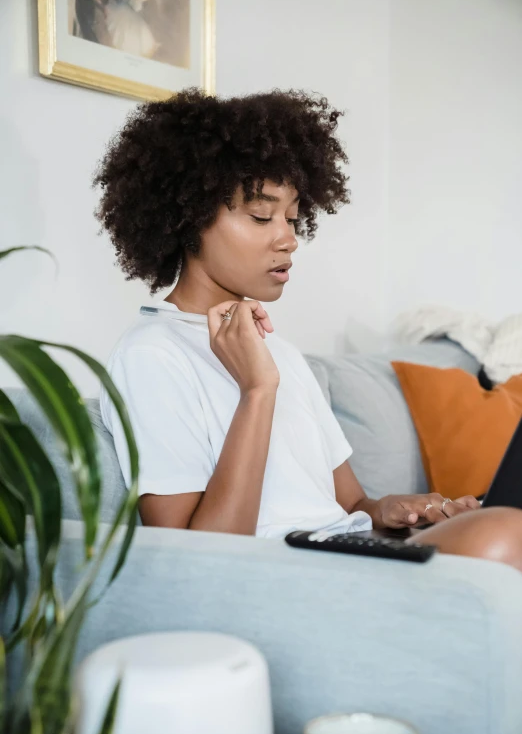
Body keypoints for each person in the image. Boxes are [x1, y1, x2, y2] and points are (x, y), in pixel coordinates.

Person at [97, 88, 522, 570]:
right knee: (504, 535)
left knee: (499, 523)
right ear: (188, 220)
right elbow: (195, 560)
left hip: (345, 553)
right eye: (262, 216)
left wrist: (396, 511)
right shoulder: (152, 355)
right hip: (284, 575)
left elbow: (352, 507)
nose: (288, 238)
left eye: (293, 217)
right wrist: (257, 390)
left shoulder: (281, 352)